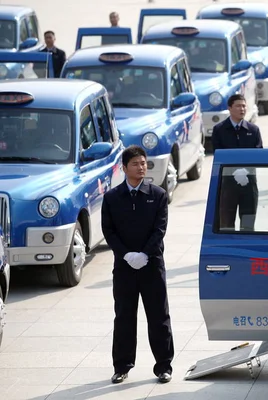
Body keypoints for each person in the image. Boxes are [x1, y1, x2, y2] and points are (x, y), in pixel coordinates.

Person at [101, 145, 174, 385]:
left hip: (151, 265)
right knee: (124, 317)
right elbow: (108, 231)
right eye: (135, 164)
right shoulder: (112, 198)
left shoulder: (158, 194)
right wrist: (126, 255)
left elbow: (159, 230)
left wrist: (144, 254)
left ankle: (164, 366)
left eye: (143, 163)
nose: (141, 167)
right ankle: (121, 366)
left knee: (158, 316)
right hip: (124, 268)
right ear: (124, 168)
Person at [212, 94, 263, 231]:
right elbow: (219, 155)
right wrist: (235, 172)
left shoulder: (253, 130)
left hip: (249, 185)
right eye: (238, 106)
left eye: (244, 106)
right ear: (230, 108)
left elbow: (258, 155)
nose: (242, 109)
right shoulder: (219, 130)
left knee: (248, 225)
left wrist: (244, 172)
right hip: (227, 185)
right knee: (226, 225)